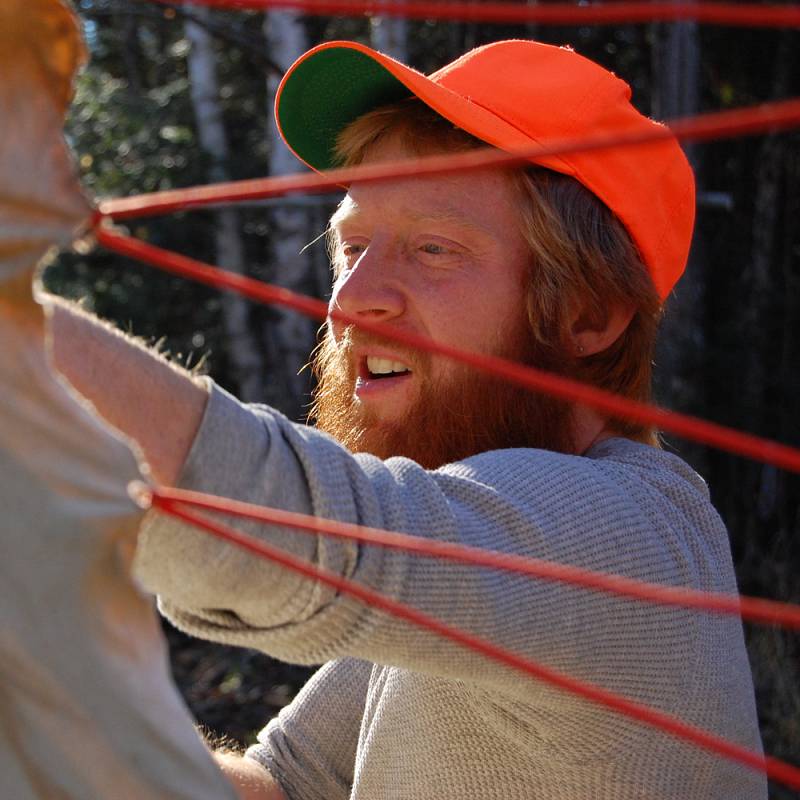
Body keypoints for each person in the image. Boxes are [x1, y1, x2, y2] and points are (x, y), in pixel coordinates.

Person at [49, 40, 765, 799]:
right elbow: (284, 785)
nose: (352, 299)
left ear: (589, 314)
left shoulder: (632, 539)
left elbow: (303, 538)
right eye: (351, 245)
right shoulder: (463, 557)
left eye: (432, 248)